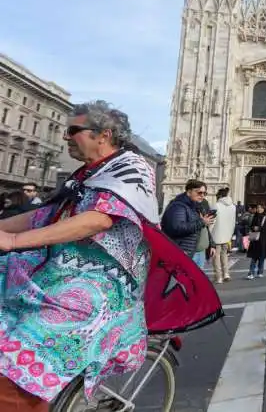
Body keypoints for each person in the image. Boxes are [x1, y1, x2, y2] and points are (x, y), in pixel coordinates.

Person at [0, 100, 159, 410]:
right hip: (55, 274)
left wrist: (14, 240)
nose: (66, 137)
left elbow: (100, 218)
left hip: (94, 291)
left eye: (73, 130)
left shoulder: (132, 168)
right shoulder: (86, 174)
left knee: (15, 369)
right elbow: (44, 215)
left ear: (104, 135)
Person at [161, 180, 215, 267]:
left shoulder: (197, 206)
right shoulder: (178, 206)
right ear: (189, 192)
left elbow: (203, 228)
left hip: (199, 251)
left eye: (204, 193)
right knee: (184, 280)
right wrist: (202, 222)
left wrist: (211, 244)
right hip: (186, 251)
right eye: (199, 192)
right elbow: (177, 227)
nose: (202, 195)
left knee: (196, 280)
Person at [210, 187, 237, 284]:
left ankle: (218, 277)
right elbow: (233, 222)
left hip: (216, 235)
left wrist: (209, 233)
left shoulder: (216, 206)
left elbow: (212, 222)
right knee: (224, 255)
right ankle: (226, 274)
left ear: (219, 196)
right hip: (227, 235)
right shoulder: (233, 206)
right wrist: (231, 233)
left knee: (215, 256)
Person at [246, 204, 266, 279]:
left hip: (264, 240)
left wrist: (260, 228)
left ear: (264, 208)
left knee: (261, 257)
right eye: (257, 208)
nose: (259, 209)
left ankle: (260, 272)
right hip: (255, 240)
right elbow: (251, 226)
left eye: (260, 208)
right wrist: (253, 227)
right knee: (254, 257)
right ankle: (251, 273)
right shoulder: (255, 216)